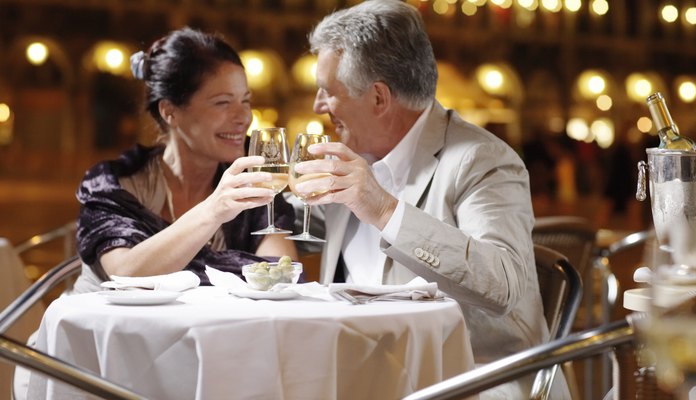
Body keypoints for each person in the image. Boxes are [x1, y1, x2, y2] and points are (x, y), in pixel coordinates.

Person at [293, 1, 561, 398]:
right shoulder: (352, 157)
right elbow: (289, 222)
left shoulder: (481, 159)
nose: (318, 105)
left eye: (328, 92)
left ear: (379, 99)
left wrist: (384, 209)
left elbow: (503, 283)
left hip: (472, 380)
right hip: (364, 375)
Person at [73, 27, 298, 290]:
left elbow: (282, 277)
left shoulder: (251, 179)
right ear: (170, 112)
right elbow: (125, 275)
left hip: (210, 331)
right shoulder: (112, 185)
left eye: (245, 101)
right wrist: (214, 210)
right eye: (223, 103)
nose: (243, 117)